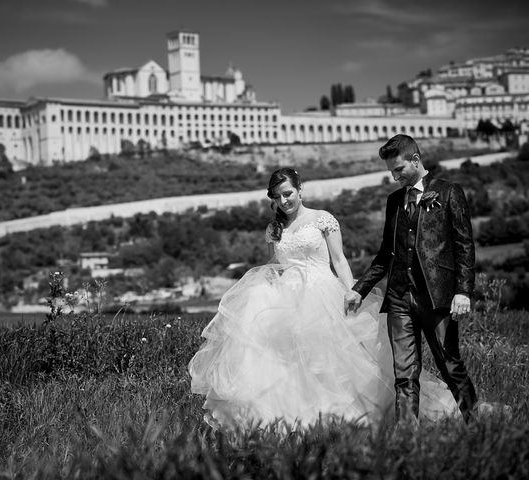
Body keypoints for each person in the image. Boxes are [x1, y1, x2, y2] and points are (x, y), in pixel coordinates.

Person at [189, 167, 458, 431]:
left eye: (288, 193)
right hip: (286, 297)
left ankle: (346, 416)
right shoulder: (274, 229)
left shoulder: (322, 219)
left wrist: (353, 292)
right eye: (277, 197)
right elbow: (276, 263)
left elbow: (339, 261)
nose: (284, 201)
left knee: (332, 361)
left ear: (299, 189)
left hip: (321, 294)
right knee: (283, 361)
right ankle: (292, 419)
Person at [345, 134, 478, 424]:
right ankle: (408, 436)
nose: (394, 177)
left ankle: (476, 424)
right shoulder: (394, 201)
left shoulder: (448, 192)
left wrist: (463, 291)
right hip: (399, 299)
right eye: (391, 171)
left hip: (437, 296)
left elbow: (464, 246)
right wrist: (360, 289)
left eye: (399, 169)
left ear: (415, 160)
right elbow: (385, 254)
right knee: (403, 372)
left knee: (450, 364)